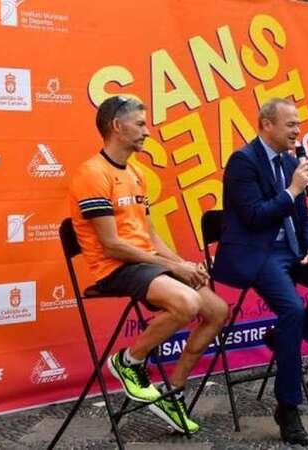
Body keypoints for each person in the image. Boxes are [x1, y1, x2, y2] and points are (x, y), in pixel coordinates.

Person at [68, 96, 229, 434]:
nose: (147, 131)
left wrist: (182, 263)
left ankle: (173, 393)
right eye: (140, 124)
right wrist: (172, 268)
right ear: (117, 126)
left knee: (217, 311)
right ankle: (129, 361)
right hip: (114, 268)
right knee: (188, 303)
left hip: (146, 264)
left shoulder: (137, 173)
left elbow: (150, 236)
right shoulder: (91, 173)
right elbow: (112, 245)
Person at [213, 98, 308, 446]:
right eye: (291, 124)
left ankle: (283, 338)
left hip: (293, 250)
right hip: (258, 252)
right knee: (292, 310)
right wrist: (292, 189)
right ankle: (288, 408)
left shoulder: (290, 161)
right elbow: (254, 217)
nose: (297, 130)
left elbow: (303, 216)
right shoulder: (243, 161)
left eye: (298, 124)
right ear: (267, 125)